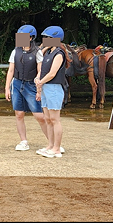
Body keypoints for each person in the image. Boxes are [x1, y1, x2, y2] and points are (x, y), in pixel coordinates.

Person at [5, 25, 49, 152]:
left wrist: (38, 87)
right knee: (19, 114)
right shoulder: (15, 51)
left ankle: (52, 142)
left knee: (39, 116)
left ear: (31, 38)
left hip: (31, 85)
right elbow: (11, 70)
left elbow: (40, 70)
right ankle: (23, 141)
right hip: (17, 84)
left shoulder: (37, 52)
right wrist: (7, 87)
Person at [34, 26, 67, 158]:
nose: (45, 40)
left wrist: (41, 82)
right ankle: (50, 145)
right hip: (46, 87)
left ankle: (57, 148)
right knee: (47, 118)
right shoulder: (48, 53)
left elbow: (52, 73)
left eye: (48, 38)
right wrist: (38, 78)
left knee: (54, 119)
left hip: (53, 87)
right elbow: (39, 63)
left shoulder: (59, 53)